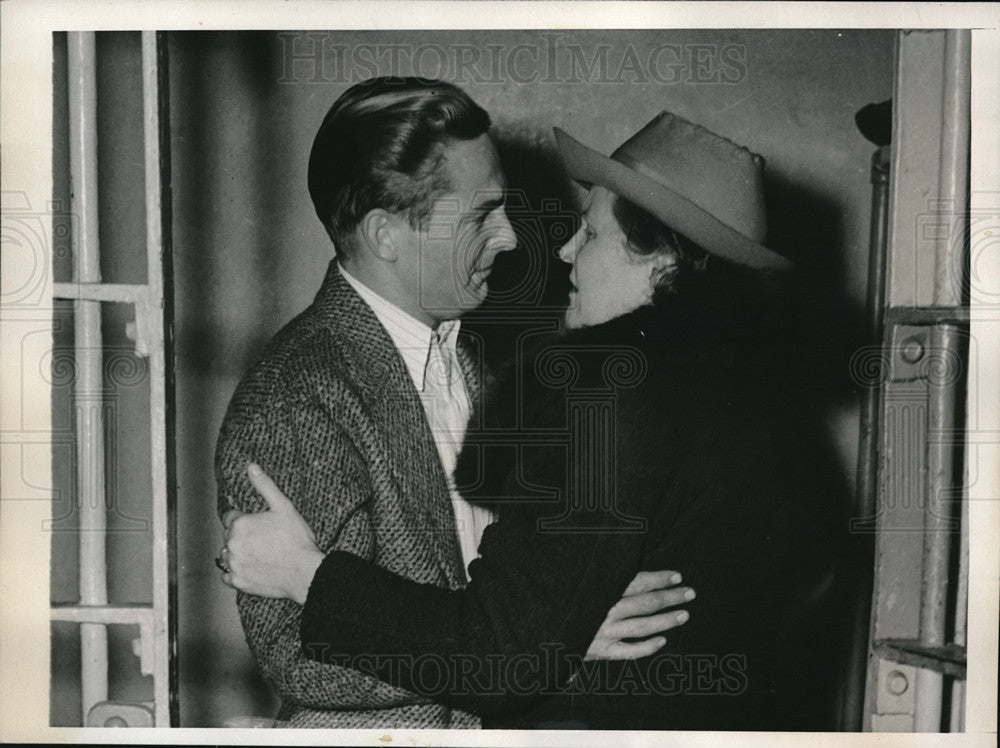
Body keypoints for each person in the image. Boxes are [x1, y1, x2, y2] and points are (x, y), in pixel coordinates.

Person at [222, 109, 848, 729]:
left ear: (663, 266)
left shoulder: (608, 395)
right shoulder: (296, 391)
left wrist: (544, 648)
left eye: (593, 234)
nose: (544, 245)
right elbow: (298, 657)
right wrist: (551, 643)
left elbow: (506, 644)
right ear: (388, 235)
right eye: (480, 215)